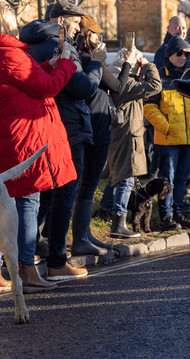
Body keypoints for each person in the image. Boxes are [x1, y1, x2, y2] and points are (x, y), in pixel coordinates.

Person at [0, 0, 78, 293]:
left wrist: (48, 66)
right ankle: (26, 269)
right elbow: (47, 87)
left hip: (0, 138)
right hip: (23, 137)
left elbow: (23, 82)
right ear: (6, 23)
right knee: (28, 201)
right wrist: (67, 65)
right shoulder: (9, 53)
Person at [17, 0, 103, 280]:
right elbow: (83, 88)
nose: (79, 28)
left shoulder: (30, 42)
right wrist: (96, 67)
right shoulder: (61, 46)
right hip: (69, 127)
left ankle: (25, 257)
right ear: (62, 21)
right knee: (64, 195)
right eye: (76, 22)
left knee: (41, 196)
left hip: (43, 125)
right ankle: (56, 261)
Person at [103, 45, 161, 239]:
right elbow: (155, 86)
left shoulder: (119, 82)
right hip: (129, 138)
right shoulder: (127, 84)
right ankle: (118, 222)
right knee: (125, 179)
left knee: (118, 176)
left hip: (123, 135)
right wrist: (149, 65)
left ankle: (106, 211)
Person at [145, 36, 190, 229]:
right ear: (169, 55)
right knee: (167, 179)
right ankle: (166, 216)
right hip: (168, 139)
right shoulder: (159, 77)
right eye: (179, 53)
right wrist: (166, 127)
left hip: (188, 138)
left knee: (182, 179)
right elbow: (149, 108)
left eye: (186, 54)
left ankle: (178, 212)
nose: (183, 57)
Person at [73, 25, 120, 256]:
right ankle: (80, 238)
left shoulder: (83, 61)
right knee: (87, 186)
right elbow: (118, 87)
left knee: (85, 187)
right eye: (94, 33)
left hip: (92, 127)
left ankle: (85, 234)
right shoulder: (88, 61)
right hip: (95, 129)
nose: (99, 38)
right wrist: (126, 63)